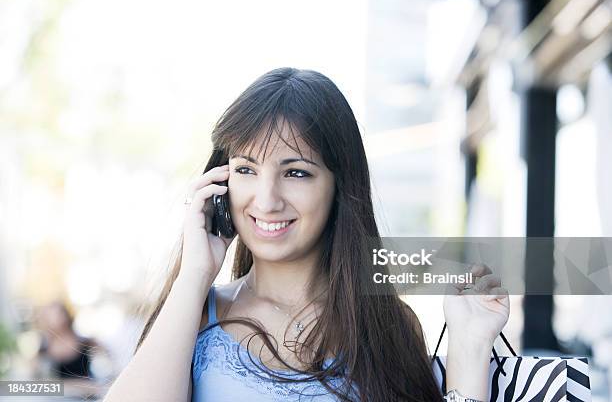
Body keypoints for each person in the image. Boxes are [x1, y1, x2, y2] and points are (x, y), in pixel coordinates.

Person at [103, 67, 509, 402]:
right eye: (246, 169)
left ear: (339, 186)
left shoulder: (385, 326)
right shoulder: (195, 314)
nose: (266, 199)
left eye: (296, 172)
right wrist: (195, 272)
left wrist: (470, 347)